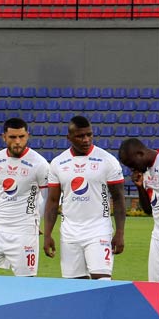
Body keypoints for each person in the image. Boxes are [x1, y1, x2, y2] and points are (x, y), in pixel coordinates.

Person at [43, 115, 125, 279]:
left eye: (89, 134)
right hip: (69, 234)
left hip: (99, 230)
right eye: (80, 136)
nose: (86, 139)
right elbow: (52, 202)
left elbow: (118, 198)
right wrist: (47, 235)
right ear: (69, 137)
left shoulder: (107, 160)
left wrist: (120, 233)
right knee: (75, 289)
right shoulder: (58, 163)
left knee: (102, 282)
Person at [0, 118, 49, 277]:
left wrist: (38, 220)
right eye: (13, 137)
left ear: (27, 136)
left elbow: (47, 196)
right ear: (4, 137)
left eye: (21, 137)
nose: (18, 141)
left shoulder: (39, 164)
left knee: (26, 284)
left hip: (24, 231)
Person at [118, 138, 159, 282]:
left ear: (140, 154)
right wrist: (139, 187)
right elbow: (149, 209)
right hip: (158, 236)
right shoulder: (147, 172)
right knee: (155, 286)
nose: (132, 169)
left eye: (132, 164)